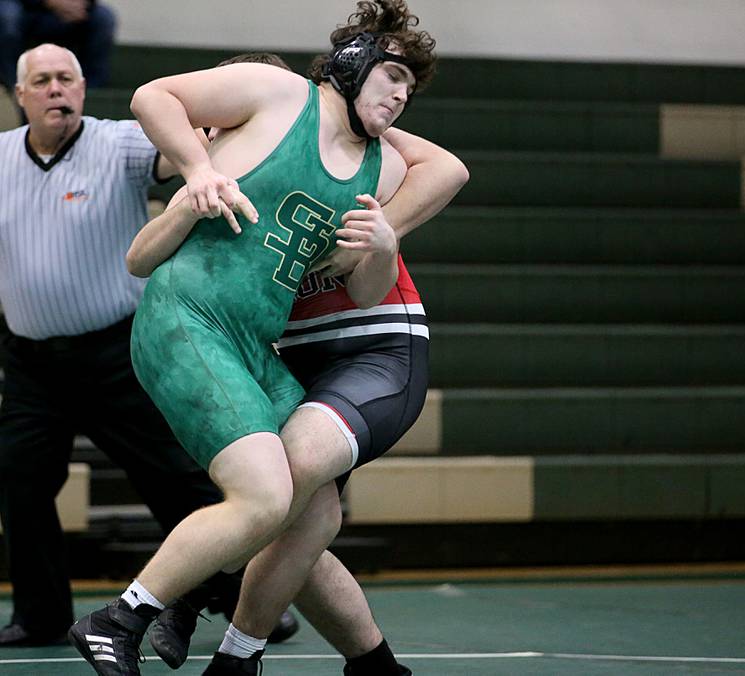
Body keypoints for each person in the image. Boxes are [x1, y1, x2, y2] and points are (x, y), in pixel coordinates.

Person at [68, 1, 449, 673]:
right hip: (191, 316)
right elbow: (152, 96)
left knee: (316, 514)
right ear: (354, 65)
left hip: (255, 344)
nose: (400, 95)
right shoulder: (281, 94)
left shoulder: (375, 166)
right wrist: (194, 168)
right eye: (392, 76)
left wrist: (386, 241)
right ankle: (123, 617)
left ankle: (342, 660)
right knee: (268, 495)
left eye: (410, 90)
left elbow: (370, 281)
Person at [0, 42, 295, 650]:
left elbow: (188, 149)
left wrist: (221, 137)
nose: (57, 89)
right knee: (18, 484)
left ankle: (242, 600)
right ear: (19, 94)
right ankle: (40, 614)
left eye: (67, 79)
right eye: (43, 80)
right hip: (29, 361)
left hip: (116, 352)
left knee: (174, 476)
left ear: (83, 89)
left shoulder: (122, 142)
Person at [0, 0, 116, 90]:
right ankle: (15, 88)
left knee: (103, 17)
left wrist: (78, 3)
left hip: (67, 11)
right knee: (8, 16)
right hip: (25, 9)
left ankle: (88, 93)